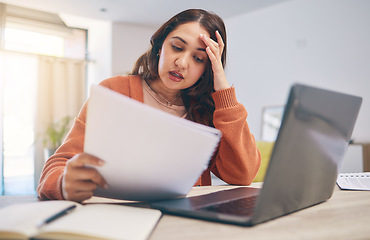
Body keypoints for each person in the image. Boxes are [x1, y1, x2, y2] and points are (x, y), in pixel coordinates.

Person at [37, 9, 261, 202]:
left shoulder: (205, 112)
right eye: (177, 47)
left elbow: (243, 174)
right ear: (160, 47)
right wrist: (64, 182)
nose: (182, 63)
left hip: (184, 224)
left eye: (199, 59)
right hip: (117, 218)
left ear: (208, 69)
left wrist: (222, 89)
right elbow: (56, 167)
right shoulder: (115, 91)